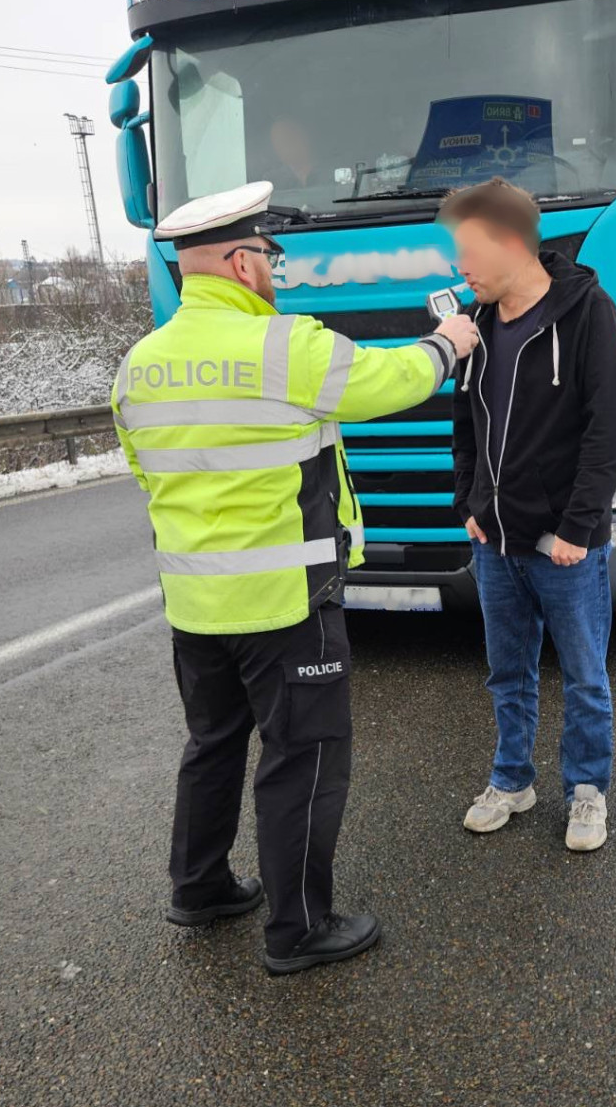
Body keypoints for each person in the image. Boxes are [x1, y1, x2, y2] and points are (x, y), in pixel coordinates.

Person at [111, 181, 478, 974]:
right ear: (240, 263)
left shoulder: (138, 365)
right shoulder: (284, 345)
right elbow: (391, 383)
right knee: (303, 756)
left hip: (194, 603)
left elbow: (147, 474)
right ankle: (299, 929)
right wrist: (450, 341)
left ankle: (200, 887)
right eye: (271, 259)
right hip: (285, 602)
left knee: (212, 745)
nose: (279, 275)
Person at [442, 178, 616, 852]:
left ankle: (586, 791)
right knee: (507, 671)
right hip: (495, 541)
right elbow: (465, 425)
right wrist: (470, 503)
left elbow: (608, 431)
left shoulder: (586, 312)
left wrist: (578, 529)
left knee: (583, 674)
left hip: (563, 543)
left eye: (467, 252)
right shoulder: (478, 325)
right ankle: (512, 779)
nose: (458, 267)